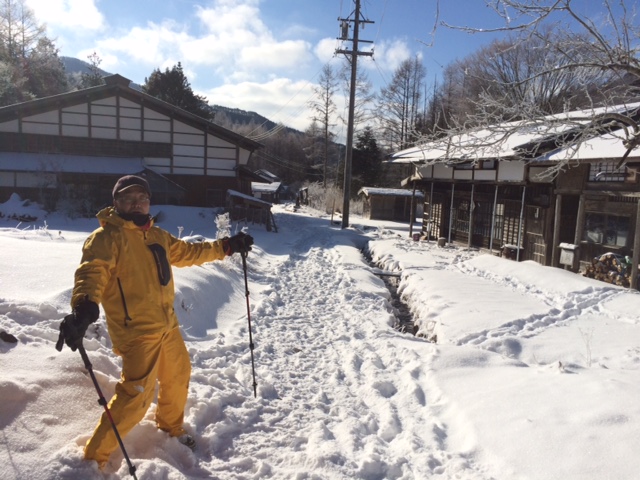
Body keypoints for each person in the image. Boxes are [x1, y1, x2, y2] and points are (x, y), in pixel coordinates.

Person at [57, 174, 253, 469]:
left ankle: (170, 428)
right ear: (117, 203)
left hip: (167, 326)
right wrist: (83, 307)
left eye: (142, 198)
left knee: (178, 375)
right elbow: (91, 272)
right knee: (135, 398)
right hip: (136, 333)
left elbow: (189, 252)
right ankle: (93, 459)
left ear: (149, 202)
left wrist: (226, 246)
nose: (137, 204)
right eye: (129, 199)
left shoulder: (157, 236)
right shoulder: (106, 239)